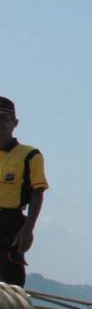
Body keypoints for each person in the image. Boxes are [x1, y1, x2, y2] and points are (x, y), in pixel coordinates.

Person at [0, 98, 48, 287]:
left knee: (9, 277)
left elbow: (37, 193)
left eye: (4, 119)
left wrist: (27, 230)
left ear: (15, 123)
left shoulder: (29, 155)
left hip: (10, 223)